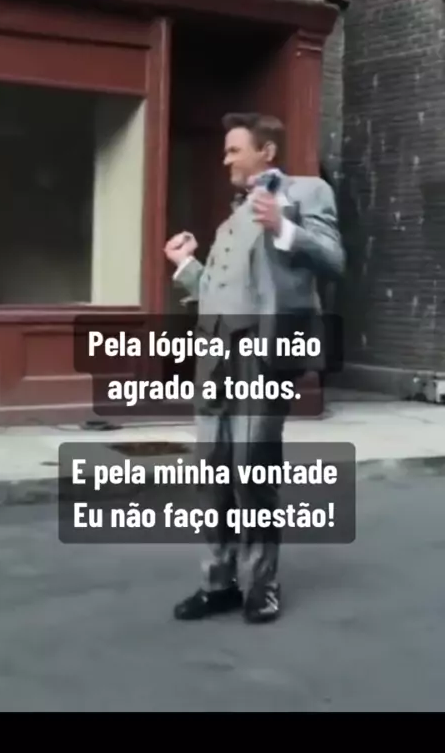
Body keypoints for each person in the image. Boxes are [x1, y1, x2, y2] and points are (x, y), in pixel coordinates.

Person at [164, 112, 344, 623]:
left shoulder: (307, 192)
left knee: (252, 472)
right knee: (212, 473)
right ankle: (218, 583)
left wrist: (284, 226)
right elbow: (219, 292)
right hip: (215, 360)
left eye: (233, 150)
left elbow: (333, 260)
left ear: (266, 151)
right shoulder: (229, 222)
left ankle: (261, 585)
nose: (225, 159)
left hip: (262, 356)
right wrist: (186, 266)